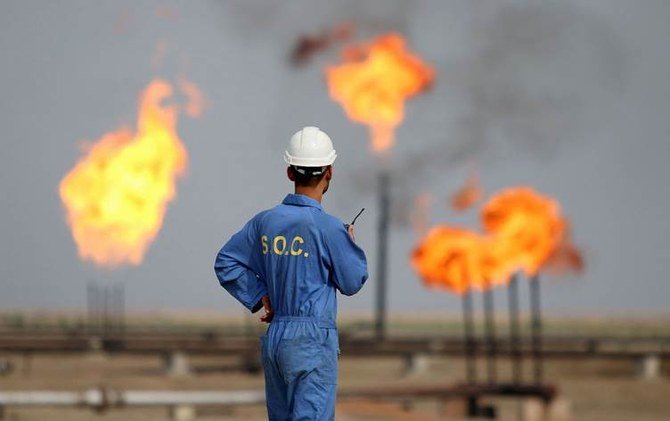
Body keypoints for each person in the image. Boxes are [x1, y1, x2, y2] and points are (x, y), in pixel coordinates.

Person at [214, 126, 368, 420]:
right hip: (311, 340)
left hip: (277, 338)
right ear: (329, 173)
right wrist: (348, 244)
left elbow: (226, 262)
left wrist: (260, 295)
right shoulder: (330, 229)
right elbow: (352, 282)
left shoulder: (265, 222)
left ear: (289, 172)